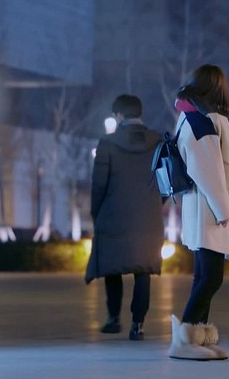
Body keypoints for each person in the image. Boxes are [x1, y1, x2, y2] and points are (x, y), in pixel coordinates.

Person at [168, 64, 229, 361]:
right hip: (210, 209)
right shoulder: (203, 120)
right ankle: (185, 338)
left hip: (202, 207)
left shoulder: (191, 116)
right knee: (211, 278)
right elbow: (208, 170)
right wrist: (222, 209)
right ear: (218, 88)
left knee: (204, 275)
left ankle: (197, 335)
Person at [85, 94, 164, 341]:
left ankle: (113, 318)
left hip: (113, 214)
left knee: (113, 266)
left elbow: (99, 184)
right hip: (148, 218)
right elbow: (165, 181)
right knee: (143, 270)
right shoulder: (158, 141)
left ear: (118, 115)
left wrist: (96, 211)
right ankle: (138, 324)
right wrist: (154, 205)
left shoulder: (108, 143)